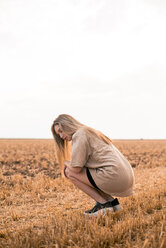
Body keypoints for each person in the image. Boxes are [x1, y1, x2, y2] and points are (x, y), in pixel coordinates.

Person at [51, 114, 135, 216]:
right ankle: (113, 203)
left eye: (61, 131)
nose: (61, 136)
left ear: (68, 125)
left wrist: (65, 163)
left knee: (69, 172)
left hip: (113, 176)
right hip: (125, 177)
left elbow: (76, 169)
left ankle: (103, 205)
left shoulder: (79, 134)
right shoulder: (90, 131)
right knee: (89, 172)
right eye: (58, 134)